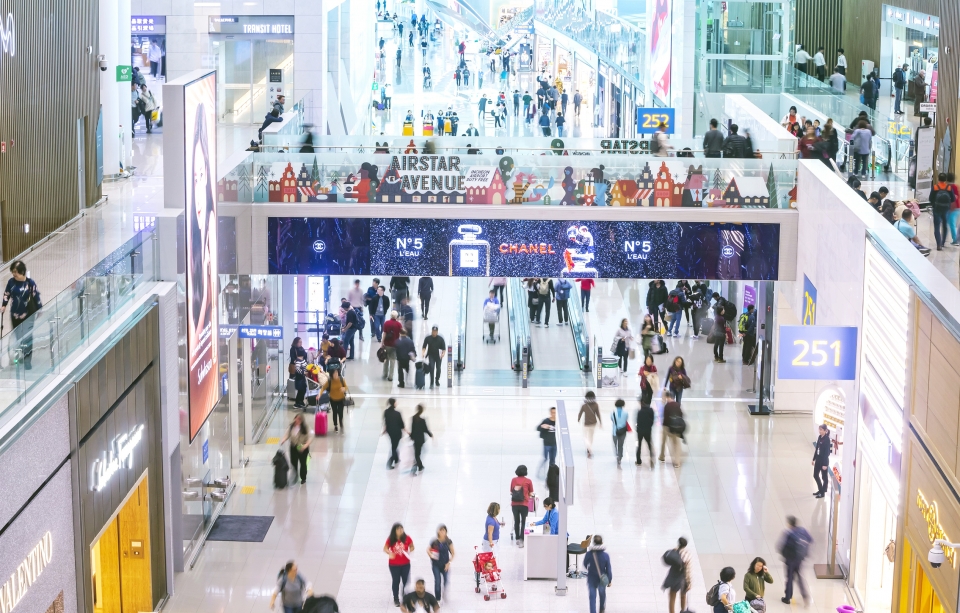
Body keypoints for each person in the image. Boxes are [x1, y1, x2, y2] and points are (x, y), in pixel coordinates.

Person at [777, 516, 812, 605]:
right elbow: (810, 540)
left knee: (789, 578)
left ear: (789, 523)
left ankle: (787, 597)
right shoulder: (803, 530)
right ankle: (805, 596)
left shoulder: (789, 533)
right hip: (799, 559)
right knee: (799, 577)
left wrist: (784, 554)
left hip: (790, 560)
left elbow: (781, 546)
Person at [385, 523, 414, 607]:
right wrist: (389, 553)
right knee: (396, 580)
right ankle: (396, 598)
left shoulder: (407, 538)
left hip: (405, 564)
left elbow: (412, 546)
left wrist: (409, 550)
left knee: (406, 581)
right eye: (398, 529)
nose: (400, 530)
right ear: (394, 530)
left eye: (401, 528)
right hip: (394, 565)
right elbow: (385, 548)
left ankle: (405, 596)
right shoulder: (391, 539)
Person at [583, 535, 612, 613]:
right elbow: (608, 569)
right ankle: (602, 608)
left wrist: (590, 569)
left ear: (594, 542)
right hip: (601, 578)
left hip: (591, 578)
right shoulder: (606, 555)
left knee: (592, 597)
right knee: (602, 594)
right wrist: (609, 580)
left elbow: (585, 564)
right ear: (602, 543)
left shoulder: (589, 554)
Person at [280, 414, 313, 484]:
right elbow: (287, 434)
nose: (297, 420)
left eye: (299, 419)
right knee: (293, 462)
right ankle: (295, 476)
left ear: (302, 421)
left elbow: (310, 437)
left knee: (303, 463)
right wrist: (283, 439)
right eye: (296, 418)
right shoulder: (291, 426)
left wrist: (305, 445)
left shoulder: (306, 427)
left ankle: (303, 478)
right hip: (293, 447)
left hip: (302, 447)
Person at [661, 537, 692, 613]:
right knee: (683, 596)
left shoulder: (674, 551)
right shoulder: (686, 554)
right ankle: (682, 611)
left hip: (673, 576)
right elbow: (688, 569)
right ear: (686, 545)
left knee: (672, 597)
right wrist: (689, 582)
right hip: (683, 577)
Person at [429, 525, 455, 602]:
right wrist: (430, 555)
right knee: (437, 581)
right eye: (441, 530)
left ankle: (444, 592)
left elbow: (453, 553)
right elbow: (428, 550)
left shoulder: (448, 542)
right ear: (438, 532)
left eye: (444, 531)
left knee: (446, 581)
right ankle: (438, 598)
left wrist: (449, 563)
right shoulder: (434, 542)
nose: (442, 532)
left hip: (445, 565)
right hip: (436, 565)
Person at [510, 465, 534, 546]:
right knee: (524, 521)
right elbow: (531, 493)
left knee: (516, 521)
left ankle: (517, 538)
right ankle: (522, 540)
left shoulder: (513, 480)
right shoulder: (528, 481)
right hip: (524, 504)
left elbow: (511, 491)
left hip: (514, 504)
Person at [930, 173, 956, 250]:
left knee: (937, 226)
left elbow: (930, 198)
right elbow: (953, 199)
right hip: (946, 209)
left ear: (938, 179)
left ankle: (938, 245)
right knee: (944, 226)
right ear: (945, 179)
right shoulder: (949, 187)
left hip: (937, 209)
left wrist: (934, 205)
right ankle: (943, 243)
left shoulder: (935, 187)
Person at [321, 365, 349, 432]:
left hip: (341, 398)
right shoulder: (330, 381)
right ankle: (335, 425)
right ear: (332, 374)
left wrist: (344, 388)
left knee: (340, 412)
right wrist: (319, 394)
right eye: (334, 373)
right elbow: (323, 388)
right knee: (335, 412)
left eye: (337, 372)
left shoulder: (341, 379)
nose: (336, 374)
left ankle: (341, 422)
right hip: (333, 399)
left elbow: (346, 387)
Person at [659, 391, 683, 467]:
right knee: (676, 444)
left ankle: (662, 456)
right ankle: (677, 462)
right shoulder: (677, 404)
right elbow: (681, 414)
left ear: (667, 397)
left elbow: (665, 418)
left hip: (667, 427)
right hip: (676, 426)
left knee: (663, 441)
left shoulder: (667, 406)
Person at [383, 398, 407, 469]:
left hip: (390, 432)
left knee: (394, 445)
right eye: (396, 402)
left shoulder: (386, 412)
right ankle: (390, 462)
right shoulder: (397, 413)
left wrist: (384, 430)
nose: (397, 403)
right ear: (393, 403)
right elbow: (401, 424)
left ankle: (396, 459)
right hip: (397, 432)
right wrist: (406, 431)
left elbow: (386, 422)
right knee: (394, 447)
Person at [410, 404, 433, 474]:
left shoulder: (413, 418)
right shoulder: (422, 420)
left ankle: (420, 465)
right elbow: (425, 429)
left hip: (415, 438)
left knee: (417, 453)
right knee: (418, 454)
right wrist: (431, 435)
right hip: (421, 439)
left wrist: (411, 437)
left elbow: (412, 428)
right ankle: (420, 466)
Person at [578, 391, 602, 458]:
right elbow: (598, 414)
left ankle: (589, 449)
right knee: (591, 437)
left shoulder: (584, 406)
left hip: (586, 423)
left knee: (585, 437)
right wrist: (600, 422)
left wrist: (578, 419)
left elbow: (580, 413)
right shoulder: (596, 405)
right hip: (593, 423)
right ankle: (589, 449)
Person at [635, 391, 656, 466]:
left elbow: (638, 422)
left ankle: (638, 461)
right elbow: (652, 421)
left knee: (639, 445)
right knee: (649, 444)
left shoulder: (640, 412)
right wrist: (649, 426)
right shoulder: (651, 410)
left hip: (640, 431)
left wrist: (637, 428)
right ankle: (652, 458)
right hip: (648, 430)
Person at [382, 311, 403, 381]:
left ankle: (385, 374)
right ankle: (390, 376)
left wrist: (382, 343)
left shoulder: (386, 323)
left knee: (386, 359)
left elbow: (384, 334)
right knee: (393, 360)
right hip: (394, 345)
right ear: (396, 316)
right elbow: (400, 334)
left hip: (386, 344)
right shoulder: (399, 324)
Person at [812, 424, 831, 497]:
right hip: (818, 459)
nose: (819, 431)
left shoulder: (827, 440)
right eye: (819, 429)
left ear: (825, 431)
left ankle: (822, 492)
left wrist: (825, 464)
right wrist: (814, 459)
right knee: (815, 475)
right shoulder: (819, 437)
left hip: (823, 461)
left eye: (821, 430)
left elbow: (827, 453)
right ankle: (820, 490)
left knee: (824, 477)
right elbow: (817, 448)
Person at [289, 337, 309, 408]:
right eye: (299, 342)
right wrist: (303, 372)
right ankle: (297, 401)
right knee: (300, 389)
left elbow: (305, 357)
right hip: (298, 373)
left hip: (302, 375)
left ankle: (300, 401)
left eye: (301, 342)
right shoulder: (293, 349)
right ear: (296, 342)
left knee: (303, 389)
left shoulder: (301, 349)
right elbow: (293, 360)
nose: (301, 343)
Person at [610, 399, 629, 467]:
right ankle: (620, 456)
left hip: (615, 431)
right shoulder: (626, 413)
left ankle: (617, 455)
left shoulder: (612, 413)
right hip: (623, 431)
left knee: (615, 444)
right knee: (621, 445)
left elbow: (612, 420)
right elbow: (626, 420)